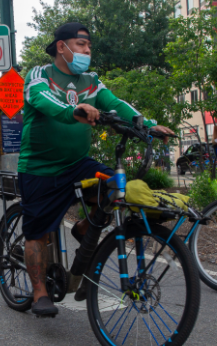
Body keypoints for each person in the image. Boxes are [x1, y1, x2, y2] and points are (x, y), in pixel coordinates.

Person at [18, 22, 174, 316]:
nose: (87, 50)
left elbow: (115, 103)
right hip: (40, 167)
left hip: (78, 163)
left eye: (89, 46)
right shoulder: (40, 74)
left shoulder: (91, 80)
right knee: (36, 232)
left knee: (115, 188)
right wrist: (73, 111)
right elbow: (43, 99)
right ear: (62, 46)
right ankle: (39, 292)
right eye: (81, 44)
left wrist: (148, 125)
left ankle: (84, 229)